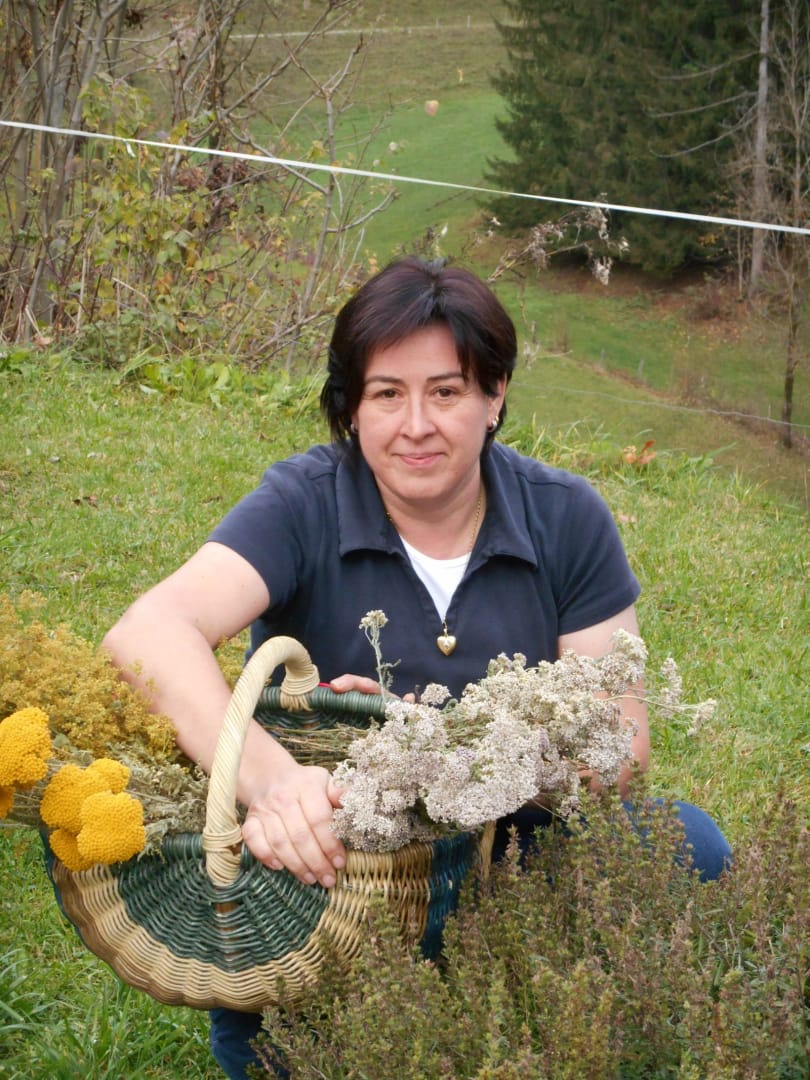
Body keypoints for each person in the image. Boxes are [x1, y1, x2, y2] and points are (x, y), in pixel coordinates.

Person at [102, 256, 731, 1079]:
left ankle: (527, 1000)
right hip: (341, 871)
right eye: (386, 394)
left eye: (447, 391)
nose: (417, 425)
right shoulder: (303, 502)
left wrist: (430, 754)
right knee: (300, 1032)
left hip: (508, 853)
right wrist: (276, 781)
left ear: (494, 396)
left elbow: (620, 749)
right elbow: (147, 633)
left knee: (686, 845)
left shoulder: (566, 516)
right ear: (351, 408)